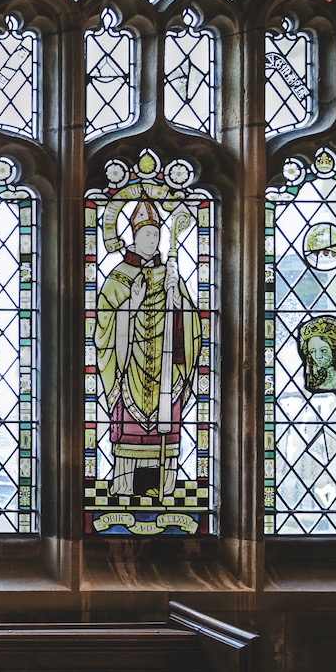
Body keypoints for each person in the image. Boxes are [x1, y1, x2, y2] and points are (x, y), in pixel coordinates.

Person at [93, 198, 204, 498]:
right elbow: (104, 328)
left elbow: (192, 326)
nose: (152, 240)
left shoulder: (168, 274)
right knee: (132, 431)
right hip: (129, 369)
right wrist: (134, 303)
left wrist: (177, 301)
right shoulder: (118, 278)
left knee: (165, 428)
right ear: (133, 237)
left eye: (155, 235)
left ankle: (165, 488)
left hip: (168, 370)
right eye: (146, 235)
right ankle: (125, 486)